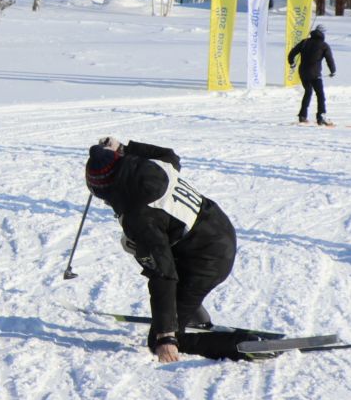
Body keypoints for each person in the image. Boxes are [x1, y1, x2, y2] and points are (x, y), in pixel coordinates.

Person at [84, 137, 241, 361]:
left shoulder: (140, 215)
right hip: (216, 227)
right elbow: (171, 155)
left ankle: (239, 346)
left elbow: (163, 273)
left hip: (209, 260)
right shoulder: (148, 165)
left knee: (158, 340)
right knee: (132, 244)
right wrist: (122, 149)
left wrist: (166, 335)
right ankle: (191, 312)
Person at [287, 24, 336, 125]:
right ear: (323, 33)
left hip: (303, 72)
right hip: (315, 74)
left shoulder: (304, 42)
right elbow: (329, 59)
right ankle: (321, 117)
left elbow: (292, 53)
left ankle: (302, 116)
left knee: (308, 92)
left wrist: (292, 63)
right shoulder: (324, 45)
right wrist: (333, 71)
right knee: (320, 94)